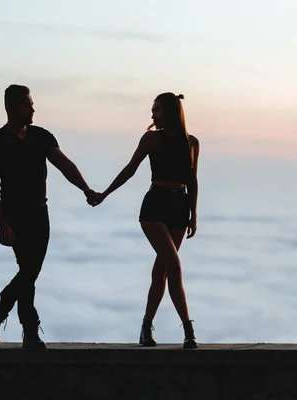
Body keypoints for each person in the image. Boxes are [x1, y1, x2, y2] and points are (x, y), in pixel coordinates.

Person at [0, 84, 99, 350]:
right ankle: (29, 331)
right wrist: (1, 224)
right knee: (29, 271)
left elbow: (65, 165)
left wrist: (85, 189)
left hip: (39, 213)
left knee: (28, 272)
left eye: (32, 104)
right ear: (12, 107)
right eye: (27, 104)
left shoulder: (41, 136)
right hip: (14, 215)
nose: (33, 108)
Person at [89, 92, 200, 349]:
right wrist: (105, 193)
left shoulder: (192, 143)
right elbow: (131, 168)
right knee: (173, 265)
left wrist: (194, 213)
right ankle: (188, 329)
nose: (153, 115)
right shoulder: (151, 139)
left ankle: (145, 328)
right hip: (155, 206)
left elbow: (193, 180)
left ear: (171, 112)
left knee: (160, 270)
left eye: (157, 110)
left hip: (179, 207)